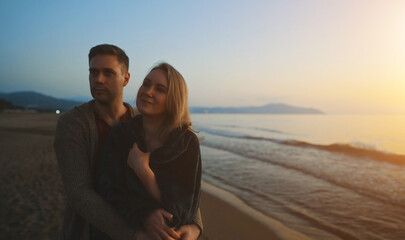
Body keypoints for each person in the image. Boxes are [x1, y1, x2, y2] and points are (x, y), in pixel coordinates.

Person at [54, 44, 203, 240]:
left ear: (126, 79)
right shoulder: (74, 124)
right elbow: (80, 193)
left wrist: (195, 226)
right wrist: (139, 227)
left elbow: (183, 188)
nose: (98, 79)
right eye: (93, 72)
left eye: (108, 73)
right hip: (90, 229)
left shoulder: (142, 122)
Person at [93, 63, 201, 240]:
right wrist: (143, 214)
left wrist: (143, 171)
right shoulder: (121, 135)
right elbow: (107, 189)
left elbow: (182, 211)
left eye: (159, 89)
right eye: (146, 83)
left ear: (173, 99)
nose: (148, 91)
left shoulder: (186, 143)